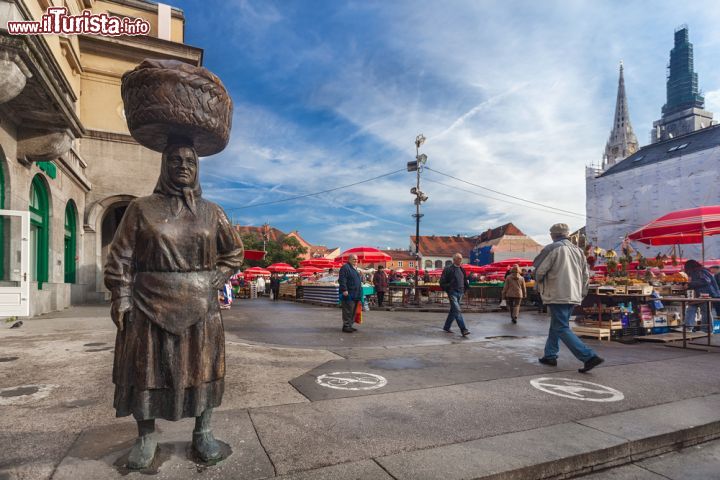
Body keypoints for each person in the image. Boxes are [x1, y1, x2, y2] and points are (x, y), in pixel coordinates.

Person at [105, 142, 244, 468]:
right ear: (164, 166)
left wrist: (216, 278)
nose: (183, 166)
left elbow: (234, 253)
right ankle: (146, 436)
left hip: (201, 305)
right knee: (146, 369)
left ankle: (203, 431)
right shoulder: (140, 209)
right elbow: (120, 258)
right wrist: (122, 297)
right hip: (148, 303)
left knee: (204, 366)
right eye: (175, 160)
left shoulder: (212, 212)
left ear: (197, 169)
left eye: (190, 161)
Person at [533, 223, 604, 373]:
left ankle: (588, 356)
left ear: (553, 235)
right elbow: (586, 276)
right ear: (567, 234)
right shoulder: (578, 251)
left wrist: (538, 284)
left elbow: (539, 271)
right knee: (557, 325)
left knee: (560, 327)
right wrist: (582, 293)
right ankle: (550, 355)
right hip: (573, 294)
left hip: (557, 293)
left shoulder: (551, 249)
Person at [683, 259, 720, 332]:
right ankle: (688, 327)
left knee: (704, 311)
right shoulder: (701, 270)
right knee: (691, 308)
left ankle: (707, 330)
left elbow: (705, 281)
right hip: (700, 295)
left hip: (705, 294)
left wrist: (690, 284)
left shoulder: (698, 271)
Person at [439, 253, 470, 336]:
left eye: (461, 258)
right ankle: (463, 329)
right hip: (452, 292)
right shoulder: (448, 269)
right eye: (459, 258)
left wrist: (466, 290)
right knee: (457, 310)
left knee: (453, 311)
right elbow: (442, 282)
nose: (461, 260)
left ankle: (446, 326)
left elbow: (465, 280)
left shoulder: (462, 269)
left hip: (460, 292)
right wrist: (449, 288)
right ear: (454, 260)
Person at [338, 254, 363, 333]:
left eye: (356, 259)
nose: (356, 261)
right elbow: (342, 279)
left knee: (353, 311)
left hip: (355, 293)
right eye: (354, 259)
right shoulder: (345, 267)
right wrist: (344, 290)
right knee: (348, 310)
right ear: (349, 259)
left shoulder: (354, 268)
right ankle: (346, 326)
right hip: (348, 293)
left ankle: (350, 325)